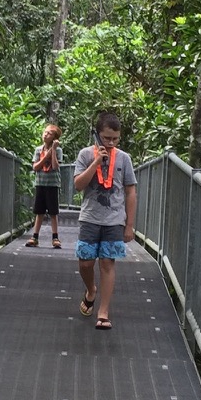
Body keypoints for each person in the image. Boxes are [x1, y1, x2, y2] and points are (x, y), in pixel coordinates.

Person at [73, 110, 137, 330]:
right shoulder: (85, 154)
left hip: (114, 219)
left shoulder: (124, 158)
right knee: (85, 262)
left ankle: (103, 311)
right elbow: (78, 185)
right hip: (90, 217)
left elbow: (130, 191)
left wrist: (129, 225)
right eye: (106, 138)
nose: (110, 143)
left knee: (107, 263)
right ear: (97, 135)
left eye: (115, 139)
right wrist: (96, 163)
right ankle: (91, 289)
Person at [27, 123, 64, 248]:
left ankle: (55, 237)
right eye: (45, 132)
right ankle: (35, 237)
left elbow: (55, 166)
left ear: (54, 138)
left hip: (53, 184)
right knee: (39, 211)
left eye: (49, 133)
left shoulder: (58, 150)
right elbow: (35, 167)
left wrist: (52, 150)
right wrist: (46, 156)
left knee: (53, 212)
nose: (46, 135)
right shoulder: (38, 150)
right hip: (40, 183)